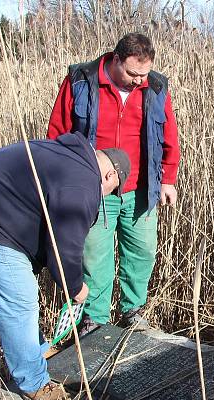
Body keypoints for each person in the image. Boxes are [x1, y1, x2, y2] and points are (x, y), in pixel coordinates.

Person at [0, 132, 131, 400]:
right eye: (111, 191)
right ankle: (33, 382)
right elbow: (64, 246)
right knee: (19, 300)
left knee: (21, 292)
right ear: (110, 176)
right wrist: (75, 287)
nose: (106, 195)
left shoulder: (73, 157)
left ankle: (38, 351)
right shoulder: (83, 186)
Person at [47, 32, 181, 332]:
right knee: (94, 256)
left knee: (143, 252)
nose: (138, 80)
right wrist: (65, 184)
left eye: (144, 74)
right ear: (116, 59)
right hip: (95, 189)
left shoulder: (156, 87)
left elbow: (169, 137)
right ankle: (95, 321)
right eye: (133, 73)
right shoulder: (81, 81)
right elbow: (57, 134)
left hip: (141, 189)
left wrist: (168, 179)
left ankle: (133, 311)